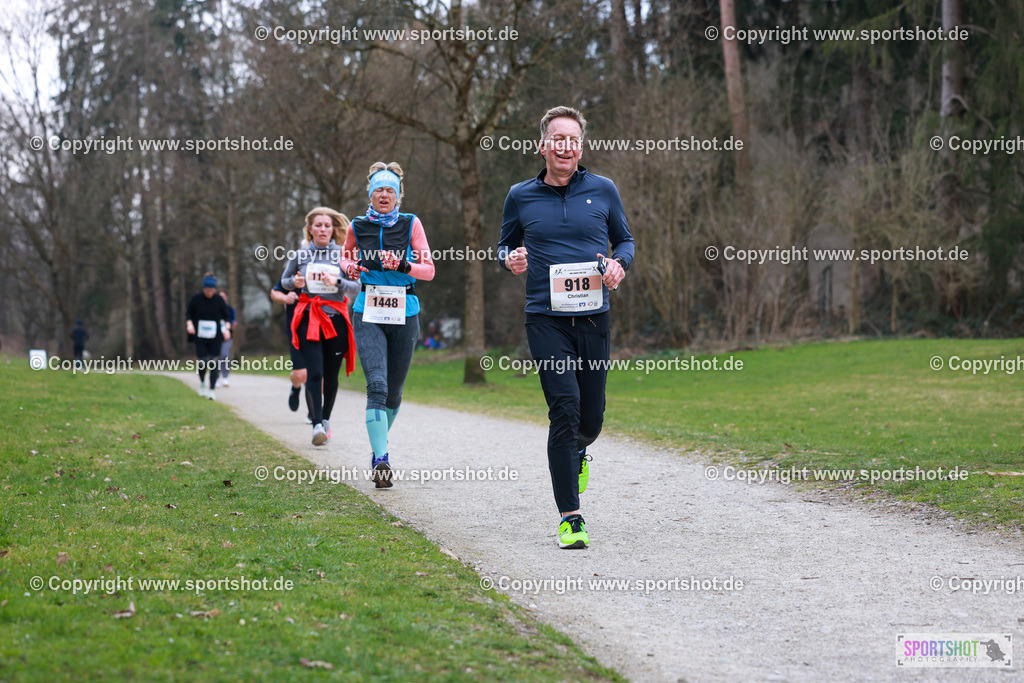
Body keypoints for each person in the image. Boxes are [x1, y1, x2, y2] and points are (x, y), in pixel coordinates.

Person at [498, 106, 634, 549]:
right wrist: (511, 259)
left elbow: (626, 240)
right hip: (545, 319)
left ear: (581, 146)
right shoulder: (520, 195)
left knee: (591, 418)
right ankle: (570, 516)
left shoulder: (604, 190)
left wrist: (619, 265)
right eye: (557, 138)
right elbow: (505, 245)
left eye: (572, 139)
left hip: (594, 317)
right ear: (543, 146)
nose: (565, 146)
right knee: (565, 407)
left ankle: (579, 449)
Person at [339, 162, 435, 487]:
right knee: (376, 386)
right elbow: (345, 258)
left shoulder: (411, 224)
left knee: (393, 395)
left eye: (389, 190)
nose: (384, 195)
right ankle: (382, 459)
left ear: (398, 195)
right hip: (367, 310)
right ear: (370, 194)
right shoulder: (358, 225)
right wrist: (350, 269)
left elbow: (429, 270)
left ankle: (377, 445)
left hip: (404, 311)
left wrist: (405, 264)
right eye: (378, 190)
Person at [281, 208, 359, 446]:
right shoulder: (300, 255)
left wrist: (337, 282)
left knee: (330, 375)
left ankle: (325, 420)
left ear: (333, 229)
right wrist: (294, 282)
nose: (323, 229)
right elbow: (284, 282)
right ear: (310, 229)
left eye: (327, 226)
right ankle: (315, 425)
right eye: (318, 225)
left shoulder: (343, 255)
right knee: (314, 372)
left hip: (336, 319)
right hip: (309, 318)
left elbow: (357, 286)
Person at [186, 273, 232, 400]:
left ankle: (211, 390)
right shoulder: (196, 299)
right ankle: (201, 383)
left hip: (215, 336)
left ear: (215, 289)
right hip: (200, 336)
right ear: (203, 288)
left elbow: (226, 316)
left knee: (214, 362)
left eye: (212, 290)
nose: (209, 292)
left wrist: (227, 329)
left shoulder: (219, 300)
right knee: (202, 362)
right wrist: (189, 325)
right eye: (207, 290)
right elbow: (188, 314)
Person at [216, 291, 236, 387]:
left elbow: (233, 320)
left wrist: (232, 325)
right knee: (216, 357)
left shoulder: (230, 309)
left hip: (227, 337)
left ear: (226, 298)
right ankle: (216, 378)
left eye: (223, 297)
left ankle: (225, 377)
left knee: (225, 355)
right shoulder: (214, 309)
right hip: (215, 337)